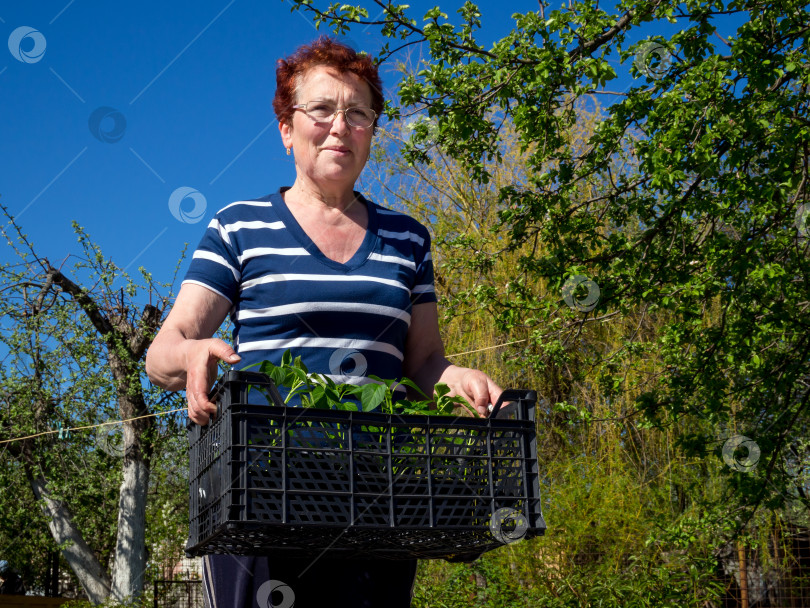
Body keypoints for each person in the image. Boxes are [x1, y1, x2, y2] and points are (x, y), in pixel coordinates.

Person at [146, 36, 502, 608]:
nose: (341, 126)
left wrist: (458, 379)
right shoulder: (241, 227)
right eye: (322, 110)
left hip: (377, 500)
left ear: (372, 133)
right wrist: (190, 355)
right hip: (258, 496)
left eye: (358, 113)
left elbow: (425, 362)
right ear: (287, 128)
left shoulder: (408, 239)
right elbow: (165, 348)